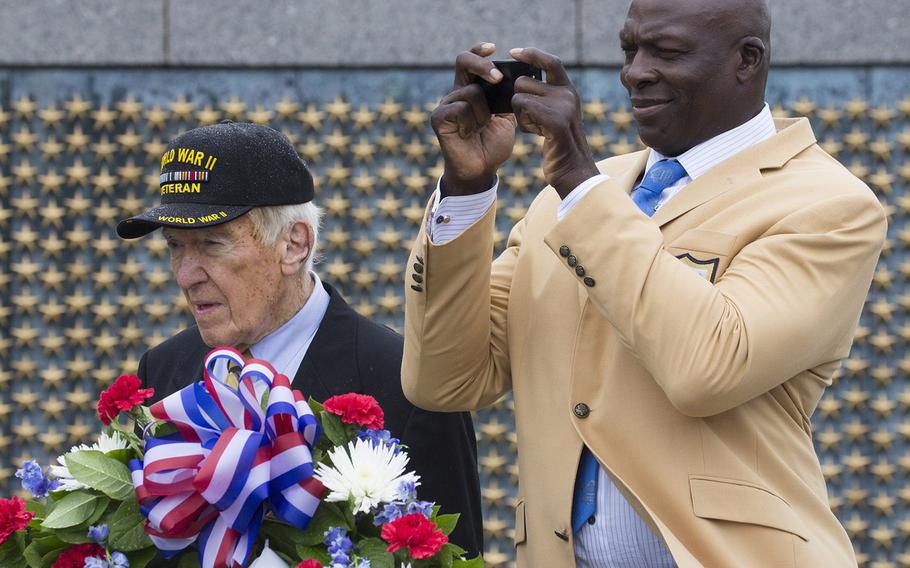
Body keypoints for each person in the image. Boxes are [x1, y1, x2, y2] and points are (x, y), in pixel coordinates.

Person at [400, 0, 886, 566]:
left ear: (746, 60)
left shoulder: (828, 205)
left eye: (667, 51)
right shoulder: (578, 196)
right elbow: (446, 381)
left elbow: (707, 368)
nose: (635, 71)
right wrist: (466, 188)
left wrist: (580, 184)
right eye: (630, 49)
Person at [116, 121, 483, 558]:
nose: (185, 275)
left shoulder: (409, 382)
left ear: (294, 245)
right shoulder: (162, 369)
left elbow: (454, 557)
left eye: (212, 244)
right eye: (175, 246)